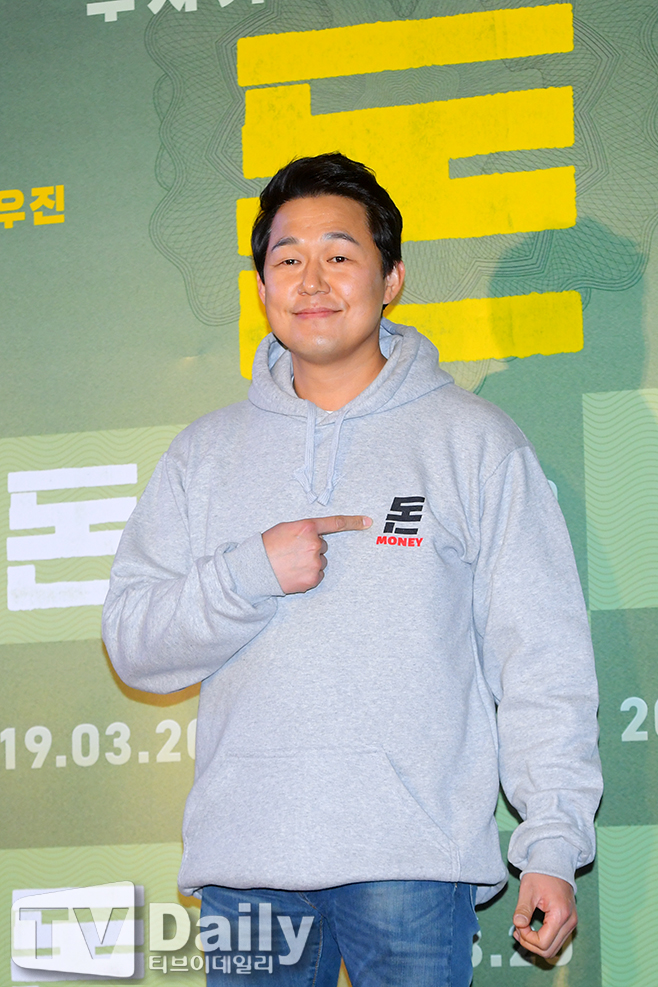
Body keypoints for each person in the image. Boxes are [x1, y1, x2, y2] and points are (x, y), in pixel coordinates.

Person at [102, 153, 602, 986]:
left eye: (339, 254)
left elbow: (541, 655)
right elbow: (132, 641)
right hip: (249, 866)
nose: (312, 281)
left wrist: (550, 839)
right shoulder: (203, 455)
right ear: (261, 287)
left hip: (413, 859)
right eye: (288, 258)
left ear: (391, 277)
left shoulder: (473, 442)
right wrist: (249, 572)